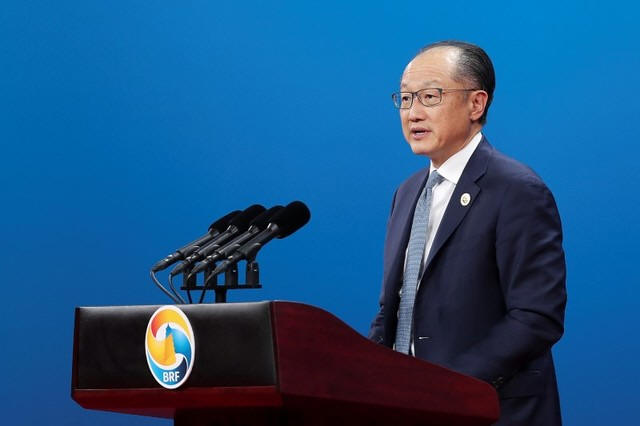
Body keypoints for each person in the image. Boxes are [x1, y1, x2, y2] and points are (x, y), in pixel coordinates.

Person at [369, 41, 567, 426]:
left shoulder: (517, 190)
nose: (413, 113)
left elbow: (536, 316)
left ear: (476, 104)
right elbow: (394, 307)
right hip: (409, 406)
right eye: (406, 98)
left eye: (430, 96)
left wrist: (447, 386)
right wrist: (367, 375)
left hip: (489, 409)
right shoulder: (407, 193)